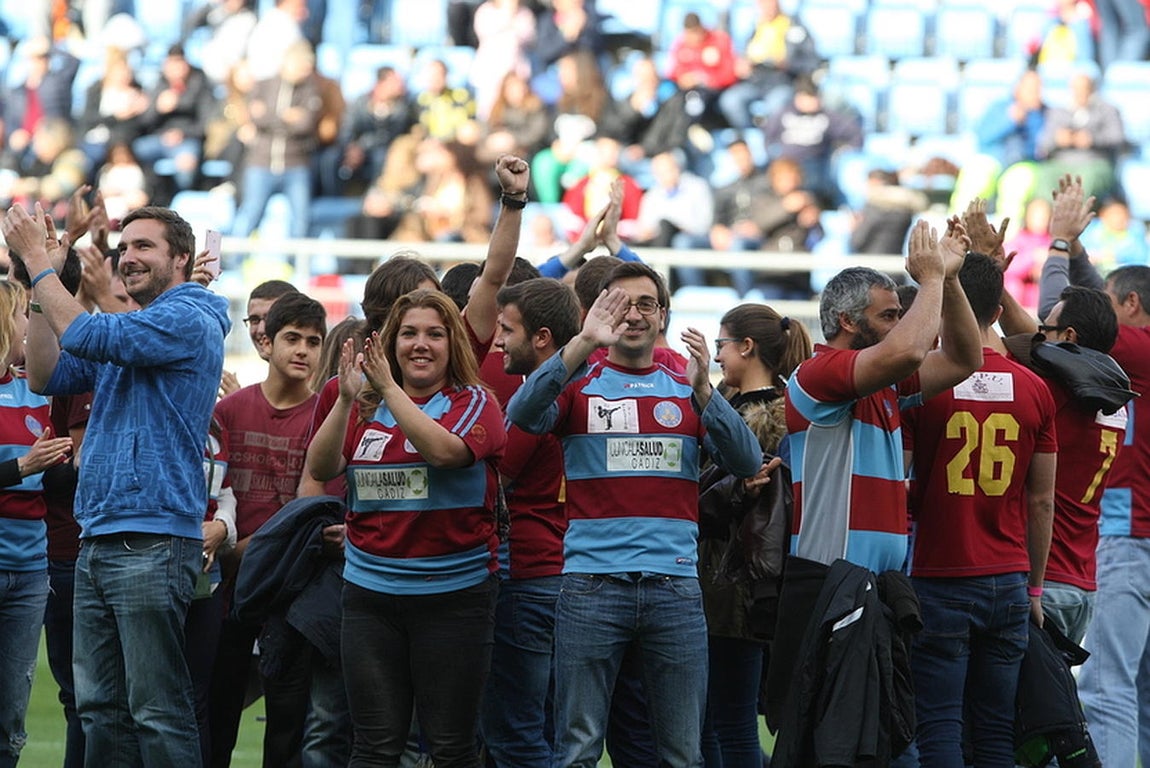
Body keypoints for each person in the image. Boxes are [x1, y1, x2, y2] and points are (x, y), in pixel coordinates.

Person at [506, 261, 762, 768]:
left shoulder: (685, 384)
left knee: (681, 755)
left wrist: (706, 393)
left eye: (646, 303)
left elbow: (747, 461)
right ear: (599, 312)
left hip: (675, 588)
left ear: (662, 314)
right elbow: (522, 413)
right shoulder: (580, 381)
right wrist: (583, 341)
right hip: (591, 587)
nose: (633, 314)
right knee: (577, 751)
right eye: (619, 303)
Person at [2, 203, 230, 764]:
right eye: (124, 247)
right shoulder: (138, 328)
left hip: (153, 537)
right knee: (100, 709)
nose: (128, 257)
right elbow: (47, 373)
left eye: (144, 246)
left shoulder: (188, 316)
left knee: (156, 709)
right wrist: (43, 283)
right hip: (100, 535)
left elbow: (85, 331)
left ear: (183, 258)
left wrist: (37, 262)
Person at [305, 289, 508, 767]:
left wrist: (389, 390)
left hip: (455, 597)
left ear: (452, 344)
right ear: (391, 342)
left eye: (435, 334)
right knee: (373, 746)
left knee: (451, 747)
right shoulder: (363, 403)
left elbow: (445, 453)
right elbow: (322, 467)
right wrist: (345, 400)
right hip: (369, 597)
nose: (421, 344)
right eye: (409, 333)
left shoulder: (474, 401)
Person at [902, 252, 1056, 766]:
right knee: (994, 732)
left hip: (940, 572)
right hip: (1009, 576)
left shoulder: (924, 384)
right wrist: (1035, 587)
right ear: (997, 311)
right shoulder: (1035, 387)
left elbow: (900, 482)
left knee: (939, 725)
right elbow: (1041, 499)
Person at [1030, 177, 1150, 768]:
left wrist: (1059, 245)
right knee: (1142, 691)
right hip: (1138, 534)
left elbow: (1061, 318)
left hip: (1127, 539)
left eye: (1110, 297)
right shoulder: (1135, 355)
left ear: (1130, 307)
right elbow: (1089, 313)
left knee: (1106, 689)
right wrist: (1078, 249)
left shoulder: (1134, 349)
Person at [785, 219, 982, 573]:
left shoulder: (886, 383)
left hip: (874, 582)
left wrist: (949, 280)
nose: (898, 326)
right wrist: (931, 280)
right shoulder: (817, 374)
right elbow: (908, 351)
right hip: (830, 578)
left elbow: (964, 359)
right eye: (888, 316)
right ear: (847, 321)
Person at [209, 291, 329, 768]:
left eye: (314, 342)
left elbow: (314, 512)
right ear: (268, 342)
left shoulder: (324, 417)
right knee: (214, 720)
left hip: (291, 592)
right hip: (228, 589)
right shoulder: (230, 411)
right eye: (292, 338)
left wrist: (251, 550)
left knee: (288, 731)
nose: (302, 351)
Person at [698, 304, 812, 768]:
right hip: (743, 583)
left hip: (735, 583)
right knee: (721, 718)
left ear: (746, 347)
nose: (717, 356)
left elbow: (728, 499)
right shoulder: (774, 409)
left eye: (721, 345)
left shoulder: (760, 419)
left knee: (729, 720)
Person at [479, 277, 581, 767]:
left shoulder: (540, 403)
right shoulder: (586, 389)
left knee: (515, 735)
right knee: (552, 732)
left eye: (507, 329)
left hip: (527, 577)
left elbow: (495, 480)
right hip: (567, 575)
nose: (498, 341)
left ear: (541, 338)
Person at [0, 279, 74, 767]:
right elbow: (25, 467)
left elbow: (52, 479)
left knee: (11, 714)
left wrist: (68, 461)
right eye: (22, 315)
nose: (28, 325)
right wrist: (22, 467)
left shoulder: (35, 388)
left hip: (30, 568)